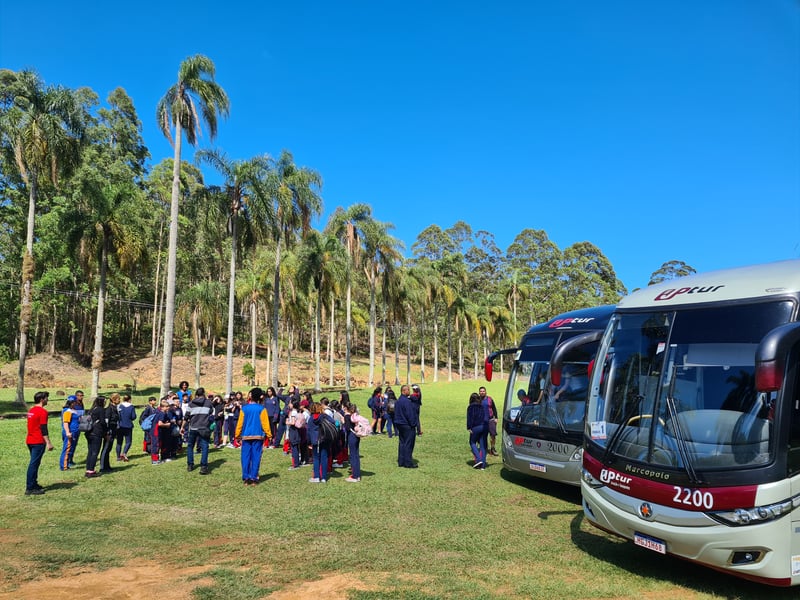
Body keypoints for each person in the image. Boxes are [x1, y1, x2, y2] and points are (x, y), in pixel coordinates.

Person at [235, 387, 272, 486]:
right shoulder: (262, 409)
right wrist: (269, 435)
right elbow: (265, 424)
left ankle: (246, 478)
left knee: (245, 457)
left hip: (246, 436)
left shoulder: (244, 408)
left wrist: (237, 435)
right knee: (256, 457)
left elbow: (240, 424)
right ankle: (254, 478)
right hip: (258, 436)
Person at [25, 391, 54, 495]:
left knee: (35, 463)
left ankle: (34, 483)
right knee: (33, 464)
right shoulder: (43, 412)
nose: (47, 400)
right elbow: (43, 428)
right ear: (42, 400)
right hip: (38, 441)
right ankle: (30, 488)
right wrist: (48, 443)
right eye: (46, 398)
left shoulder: (31, 410)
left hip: (30, 440)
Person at [182, 386, 214, 475]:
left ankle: (190, 465)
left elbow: (186, 417)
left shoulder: (191, 403)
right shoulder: (208, 403)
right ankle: (203, 467)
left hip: (193, 428)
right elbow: (211, 412)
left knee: (190, 446)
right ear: (203, 394)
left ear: (196, 395)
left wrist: (182, 427)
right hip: (204, 428)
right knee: (204, 447)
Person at [307, 401, 335, 483]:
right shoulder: (323, 416)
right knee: (324, 457)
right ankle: (323, 477)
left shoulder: (311, 419)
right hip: (325, 439)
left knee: (316, 458)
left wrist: (309, 442)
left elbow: (308, 432)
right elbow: (333, 421)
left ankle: (316, 476)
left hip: (315, 441)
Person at [394, 384, 419, 468]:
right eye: (408, 390)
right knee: (409, 443)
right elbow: (410, 414)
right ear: (404, 391)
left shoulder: (398, 401)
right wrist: (414, 424)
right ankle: (408, 462)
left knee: (402, 442)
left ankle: (401, 461)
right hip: (407, 425)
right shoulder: (407, 402)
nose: (409, 391)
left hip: (399, 424)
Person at [84, 396, 108, 477]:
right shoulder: (100, 410)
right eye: (105, 401)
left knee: (90, 452)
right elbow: (103, 422)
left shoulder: (92, 409)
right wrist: (106, 432)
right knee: (95, 452)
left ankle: (88, 469)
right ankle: (91, 470)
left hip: (89, 432)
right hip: (96, 433)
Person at [99, 393, 120, 473]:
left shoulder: (115, 408)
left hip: (114, 430)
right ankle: (102, 467)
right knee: (105, 448)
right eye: (118, 399)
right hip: (109, 431)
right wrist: (107, 432)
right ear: (114, 399)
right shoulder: (109, 409)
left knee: (109, 449)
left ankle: (107, 466)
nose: (119, 400)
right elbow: (106, 421)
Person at [467, 392, 489, 469]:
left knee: (472, 442)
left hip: (476, 427)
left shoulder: (471, 407)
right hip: (485, 426)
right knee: (483, 446)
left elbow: (470, 418)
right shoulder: (482, 406)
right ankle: (482, 466)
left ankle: (479, 459)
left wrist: (469, 427)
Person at [59, 395, 79, 471]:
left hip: (75, 432)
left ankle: (68, 463)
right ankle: (64, 466)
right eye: (75, 402)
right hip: (70, 432)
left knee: (71, 448)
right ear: (72, 402)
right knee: (67, 449)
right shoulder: (67, 411)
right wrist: (68, 432)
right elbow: (65, 422)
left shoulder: (73, 410)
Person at [478, 386, 499, 457]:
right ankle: (484, 448)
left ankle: (493, 448)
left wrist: (496, 418)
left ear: (485, 392)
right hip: (481, 421)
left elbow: (494, 408)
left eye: (483, 391)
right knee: (483, 435)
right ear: (479, 392)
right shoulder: (477, 400)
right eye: (481, 391)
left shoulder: (490, 399)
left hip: (490, 420)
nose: (482, 392)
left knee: (493, 435)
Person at [115, 393, 136, 462]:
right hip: (128, 426)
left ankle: (118, 457)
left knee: (119, 442)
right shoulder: (131, 407)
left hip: (120, 426)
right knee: (128, 441)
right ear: (129, 399)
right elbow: (133, 417)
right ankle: (124, 453)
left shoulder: (119, 406)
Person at [345, 403, 362, 482]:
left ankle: (354, 476)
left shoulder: (347, 417)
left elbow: (347, 428)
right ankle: (357, 474)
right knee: (356, 455)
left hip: (351, 436)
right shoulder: (355, 416)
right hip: (357, 436)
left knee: (352, 456)